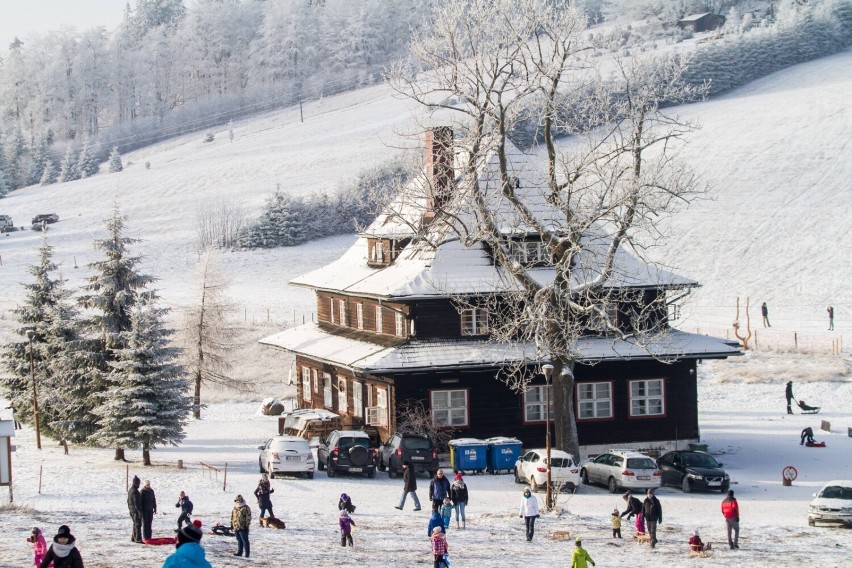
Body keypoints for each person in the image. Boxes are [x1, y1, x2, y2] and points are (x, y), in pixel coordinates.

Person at [127, 475, 143, 543]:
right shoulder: (135, 491)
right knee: (137, 524)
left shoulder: (131, 490)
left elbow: (128, 501)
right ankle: (138, 539)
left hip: (132, 510)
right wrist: (139, 512)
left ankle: (133, 538)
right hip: (135, 511)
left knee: (135, 524)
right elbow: (137, 503)